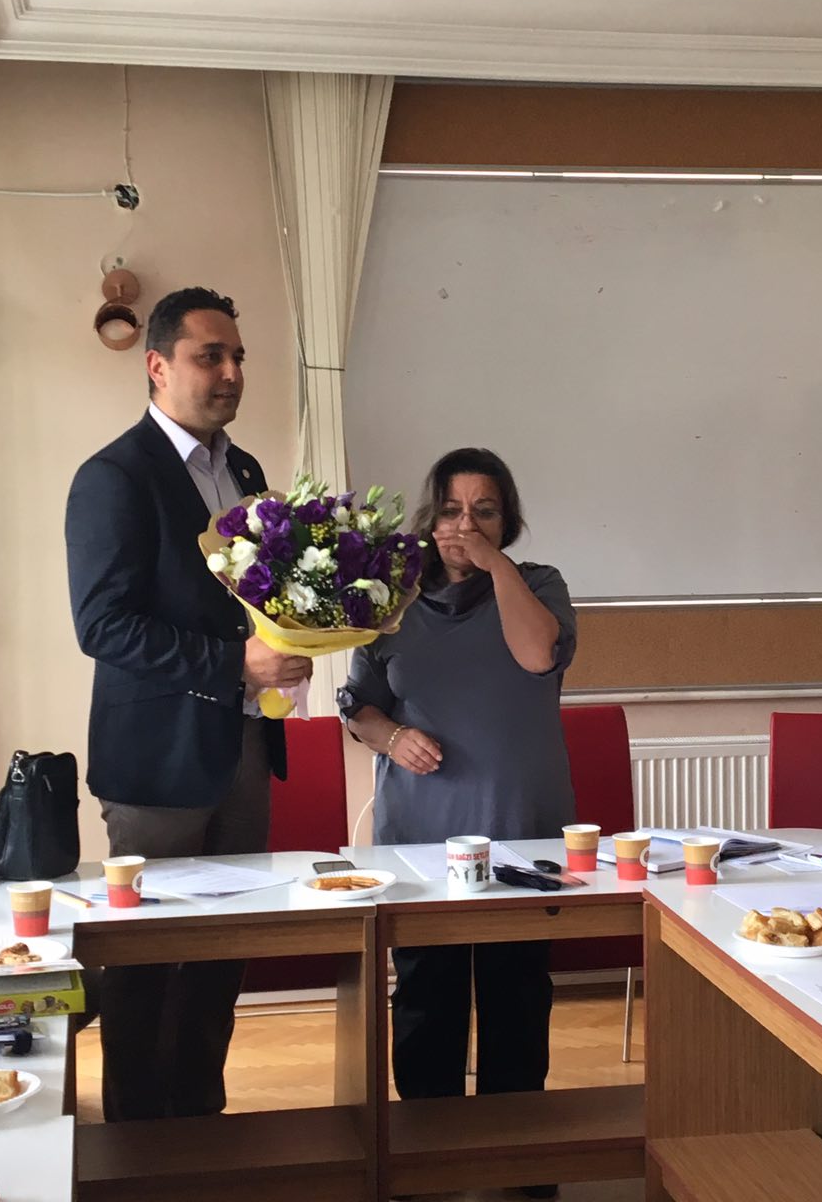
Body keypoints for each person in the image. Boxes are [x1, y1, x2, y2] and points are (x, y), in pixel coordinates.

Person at [65, 286, 311, 1121]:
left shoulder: (245, 473)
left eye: (237, 356)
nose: (231, 371)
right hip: (157, 762)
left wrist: (293, 646)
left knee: (221, 956)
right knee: (145, 961)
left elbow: (257, 601)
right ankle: (139, 1142)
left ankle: (201, 1124)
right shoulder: (113, 477)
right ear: (159, 366)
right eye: (211, 356)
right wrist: (234, 661)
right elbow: (102, 626)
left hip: (244, 746)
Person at [338, 449, 575, 1179]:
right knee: (426, 997)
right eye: (450, 509)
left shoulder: (539, 584)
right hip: (419, 833)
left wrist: (494, 565)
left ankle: (516, 1153)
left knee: (516, 993)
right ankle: (425, 1153)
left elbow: (536, 657)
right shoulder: (393, 599)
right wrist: (392, 737)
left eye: (484, 511)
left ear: (508, 522)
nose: (464, 524)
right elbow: (359, 706)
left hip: (520, 826)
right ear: (428, 517)